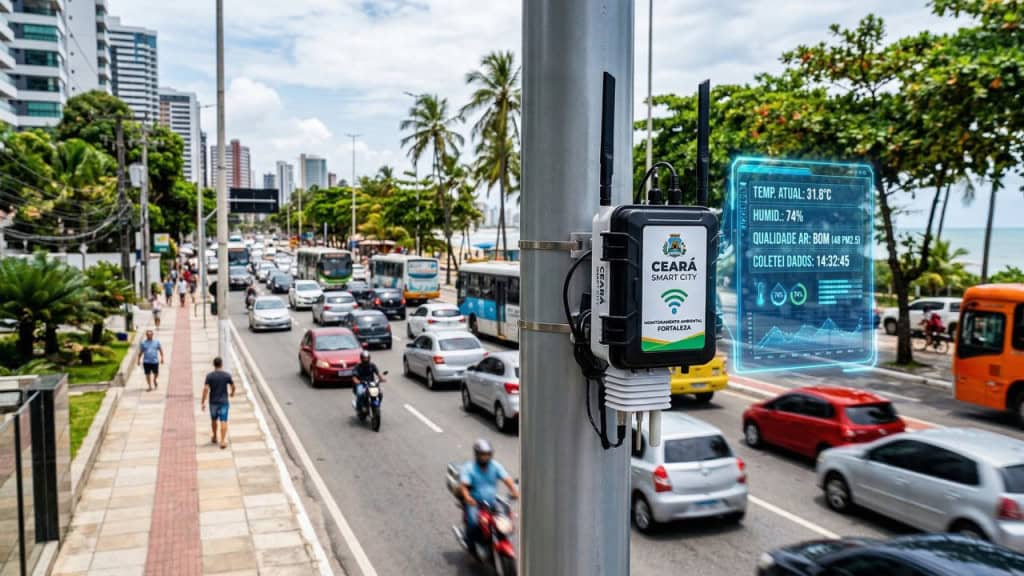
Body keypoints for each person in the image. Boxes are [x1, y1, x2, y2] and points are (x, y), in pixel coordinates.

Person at [459, 439, 519, 545]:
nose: (485, 457)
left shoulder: (495, 465)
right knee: (473, 522)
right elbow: (463, 486)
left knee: (505, 518)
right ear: (477, 455)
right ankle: (469, 542)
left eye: (487, 454)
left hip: (491, 501)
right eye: (482, 455)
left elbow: (507, 479)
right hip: (475, 503)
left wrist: (514, 491)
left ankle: (499, 538)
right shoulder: (469, 468)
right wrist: (467, 497)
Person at [201, 356, 236, 449]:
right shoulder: (226, 375)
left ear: (214, 365)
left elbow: (205, 389)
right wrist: (232, 393)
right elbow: (233, 386)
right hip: (224, 402)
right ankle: (223, 441)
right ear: (221, 364)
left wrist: (203, 402)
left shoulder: (209, 376)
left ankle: (215, 437)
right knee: (223, 420)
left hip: (213, 402)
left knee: (213, 420)